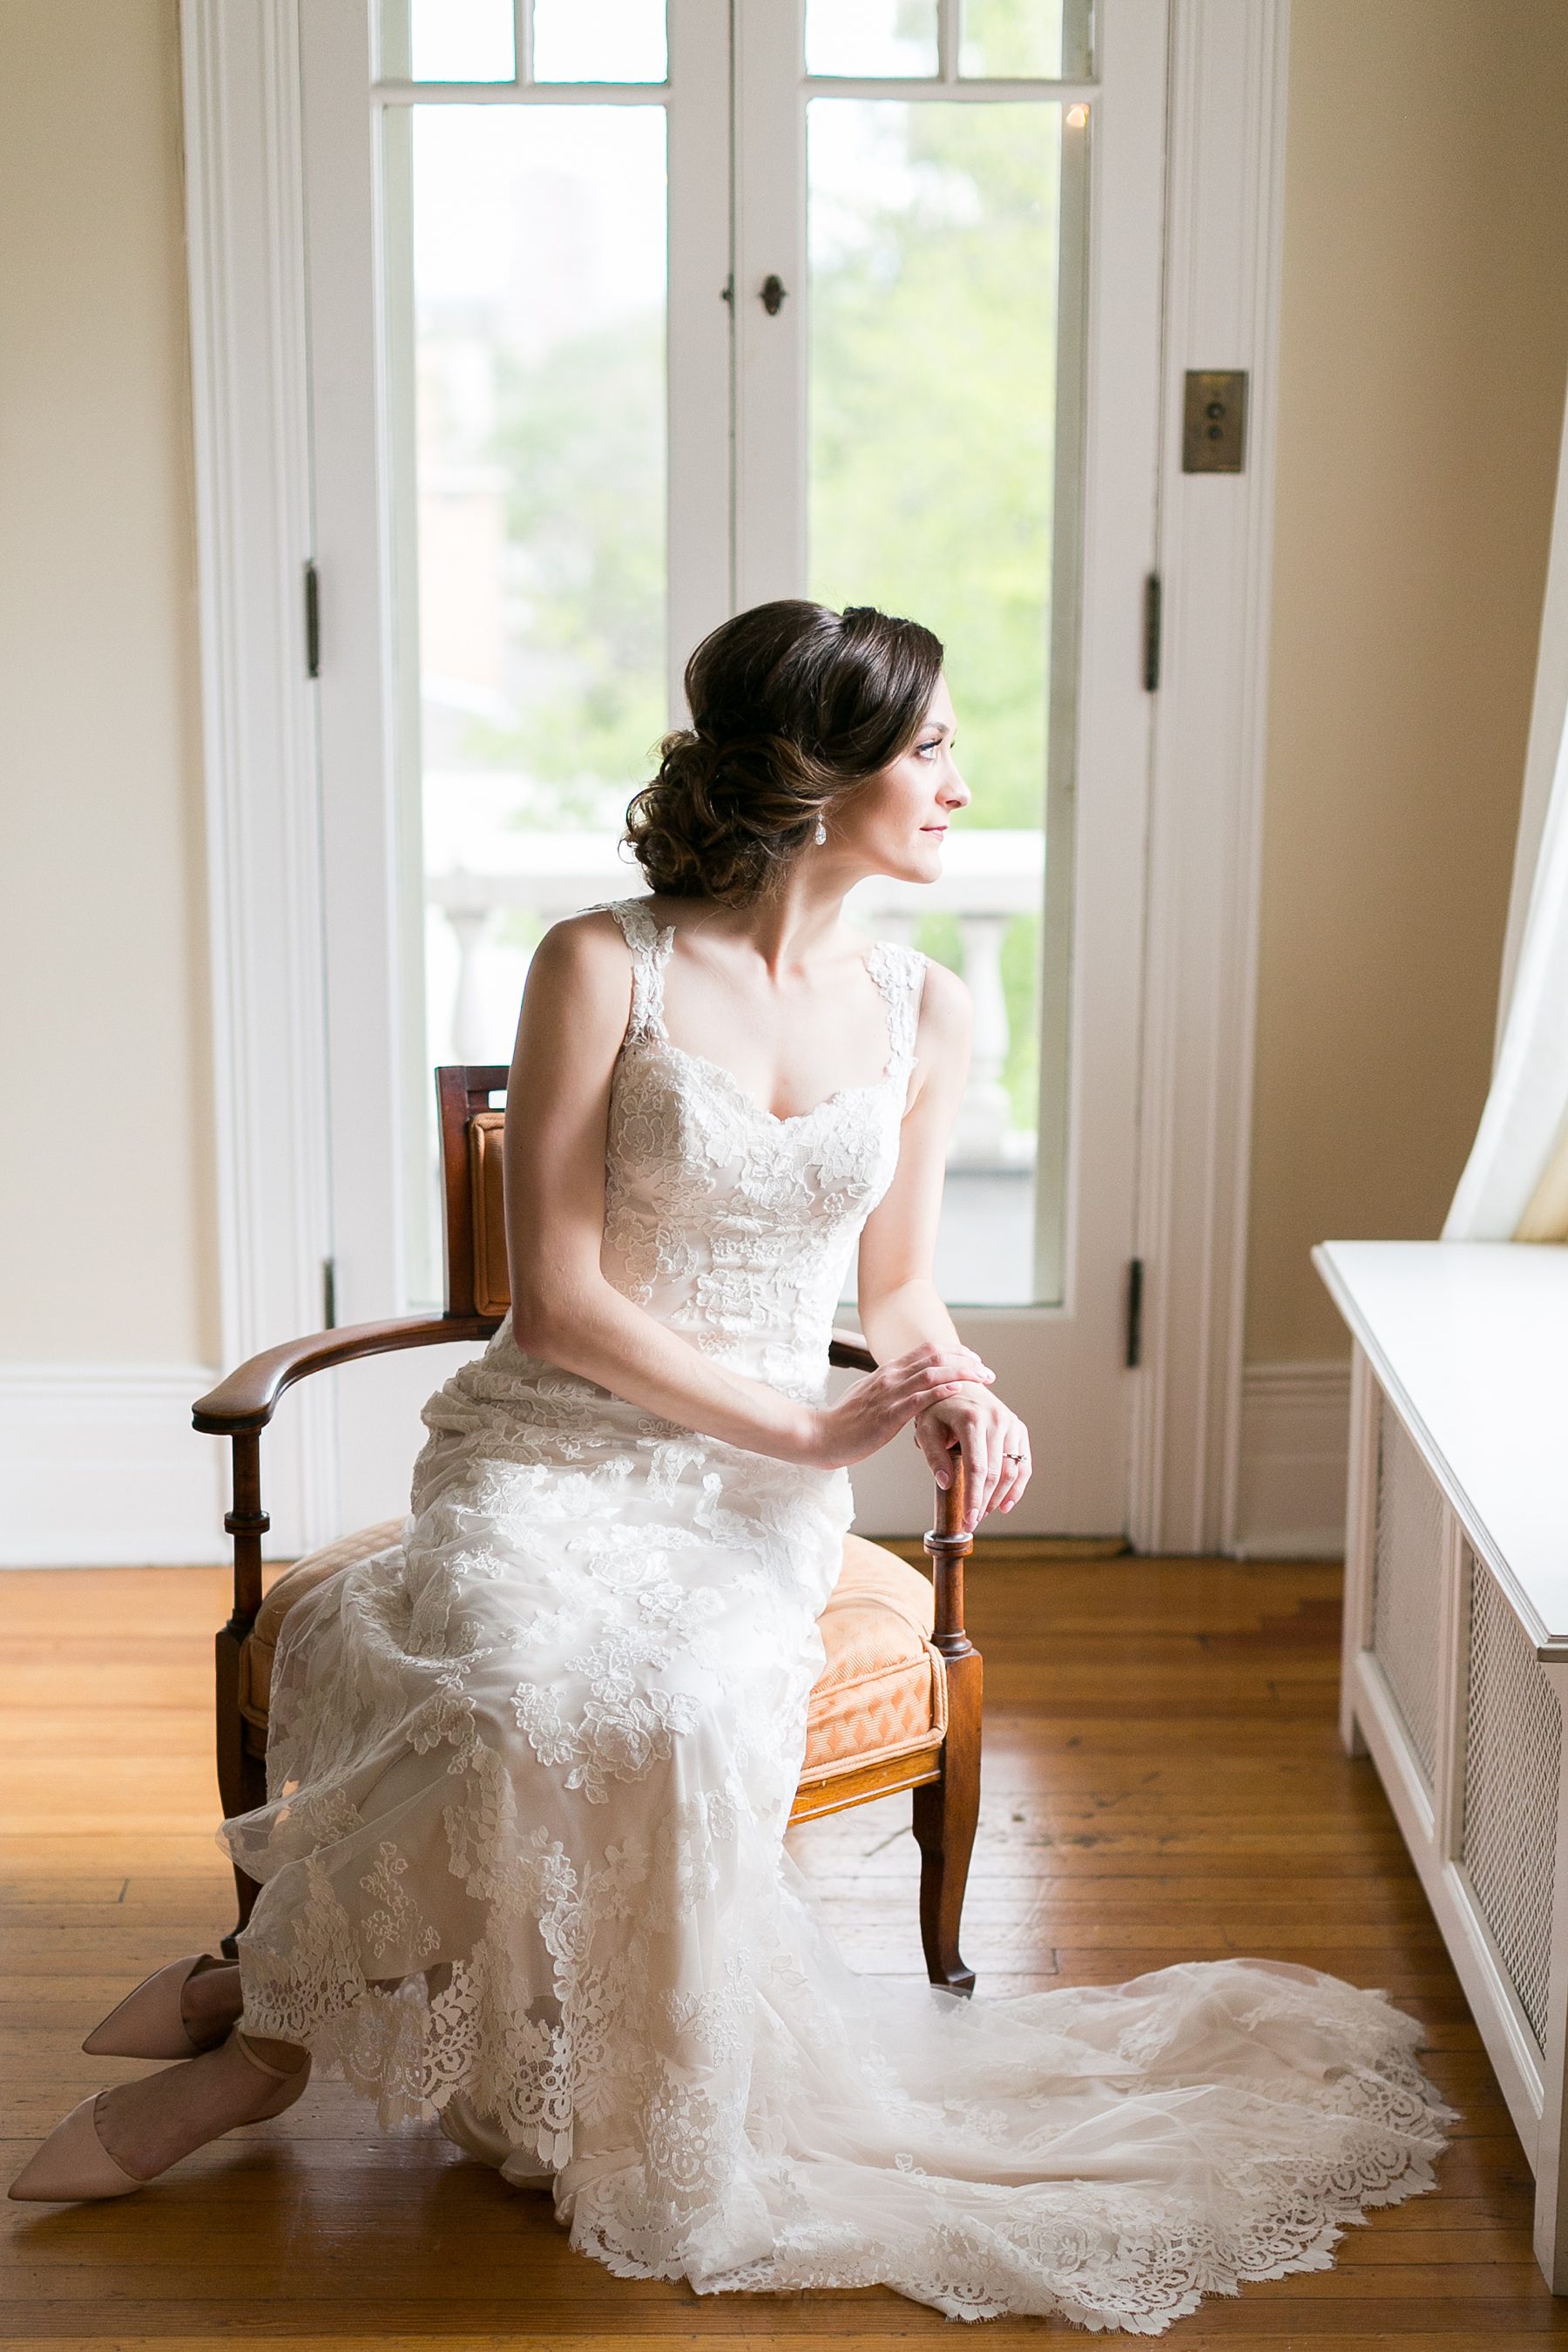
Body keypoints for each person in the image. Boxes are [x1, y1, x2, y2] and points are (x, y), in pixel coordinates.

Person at [13, 601, 1449, 2330]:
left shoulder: (926, 1015)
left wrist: (949, 1384)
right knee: (504, 1686)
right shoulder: (597, 963)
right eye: (926, 751)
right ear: (813, 774)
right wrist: (799, 1420)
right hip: (549, 1452)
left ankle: (277, 2007)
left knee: (679, 1705)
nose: (959, 785)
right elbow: (554, 1301)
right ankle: (270, 2046)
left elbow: (902, 1283)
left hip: (753, 1501)